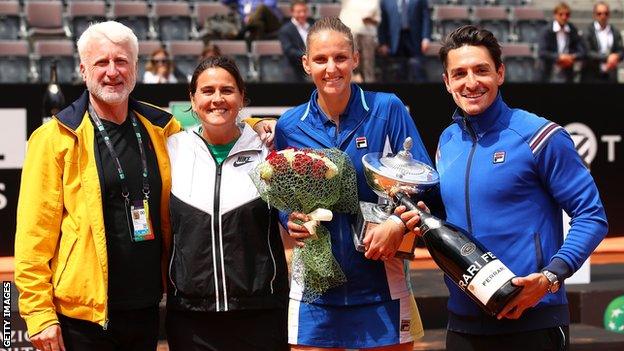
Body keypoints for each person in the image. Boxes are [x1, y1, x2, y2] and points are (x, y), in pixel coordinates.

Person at [408, 24, 607, 350]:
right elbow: (449, 216)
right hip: (462, 324)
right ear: (447, 82)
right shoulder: (447, 140)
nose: (470, 82)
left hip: (532, 320)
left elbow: (592, 216)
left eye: (481, 70)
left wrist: (549, 279)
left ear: (500, 73)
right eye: (459, 74)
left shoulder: (540, 136)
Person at [14, 21, 182, 351]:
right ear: (82, 69)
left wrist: (258, 126)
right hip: (82, 321)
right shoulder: (54, 138)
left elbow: (216, 131)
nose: (112, 72)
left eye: (121, 61)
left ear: (135, 67)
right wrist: (38, 315)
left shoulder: (163, 127)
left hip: (146, 309)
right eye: (101, 62)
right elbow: (34, 235)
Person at [275, 17, 434, 350]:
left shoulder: (387, 108)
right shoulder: (290, 125)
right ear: (306, 64)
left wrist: (395, 223)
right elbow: (283, 195)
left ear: (355, 59)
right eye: (320, 59)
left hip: (382, 283)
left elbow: (425, 179)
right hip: (315, 290)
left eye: (340, 58)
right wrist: (288, 218)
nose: (331, 68)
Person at [165, 56, 289, 350]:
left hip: (261, 313)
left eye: (227, 90)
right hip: (190, 317)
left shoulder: (268, 148)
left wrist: (257, 125)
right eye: (207, 91)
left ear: (242, 97)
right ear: (193, 100)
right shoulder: (172, 148)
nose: (217, 99)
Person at [378, 0, 431, 82]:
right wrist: (383, 43)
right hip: (394, 41)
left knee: (417, 69)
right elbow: (382, 23)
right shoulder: (385, 1)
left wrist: (426, 38)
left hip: (415, 39)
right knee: (398, 72)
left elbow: (426, 17)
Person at [538, 2, 585, 83]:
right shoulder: (546, 31)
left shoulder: (572, 30)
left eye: (567, 14)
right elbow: (542, 52)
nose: (564, 17)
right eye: (561, 14)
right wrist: (559, 57)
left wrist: (571, 58)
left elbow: (582, 51)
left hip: (567, 72)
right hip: (550, 72)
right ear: (555, 15)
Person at [581, 1, 623, 83]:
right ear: (594, 15)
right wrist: (608, 58)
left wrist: (616, 56)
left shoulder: (615, 32)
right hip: (592, 75)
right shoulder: (588, 32)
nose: (603, 16)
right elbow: (588, 53)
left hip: (610, 76)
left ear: (609, 14)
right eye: (599, 13)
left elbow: (621, 51)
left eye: (606, 13)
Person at [340, 0, 381, 83]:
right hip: (350, 34)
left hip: (368, 34)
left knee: (368, 65)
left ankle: (369, 88)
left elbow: (377, 19)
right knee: (350, 62)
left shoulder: (375, 1)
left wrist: (370, 20)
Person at [278, 0, 313, 82]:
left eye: (304, 11)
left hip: (312, 68)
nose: (302, 14)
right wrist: (308, 55)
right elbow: (289, 51)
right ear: (292, 12)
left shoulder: (313, 26)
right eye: (299, 12)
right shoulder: (285, 30)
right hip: (294, 70)